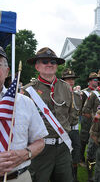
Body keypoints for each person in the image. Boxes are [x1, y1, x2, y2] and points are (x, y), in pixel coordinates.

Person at [22, 47, 73, 182]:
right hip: (40, 149)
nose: (49, 64)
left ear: (57, 66)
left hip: (63, 147)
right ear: (37, 66)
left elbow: (70, 115)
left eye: (53, 62)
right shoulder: (28, 91)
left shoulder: (66, 88)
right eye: (45, 61)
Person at [0, 47, 48, 182]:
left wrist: (26, 153)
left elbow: (39, 141)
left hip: (19, 177)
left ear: (7, 71)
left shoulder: (24, 102)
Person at [82, 68, 100, 182]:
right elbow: (85, 110)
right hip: (96, 130)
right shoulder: (94, 94)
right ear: (99, 80)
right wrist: (95, 120)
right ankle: (90, 176)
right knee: (91, 153)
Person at [61, 68, 83, 182]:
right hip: (63, 130)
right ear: (63, 81)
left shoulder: (77, 95)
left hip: (74, 129)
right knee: (65, 154)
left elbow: (80, 110)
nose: (71, 81)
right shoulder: (58, 95)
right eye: (68, 79)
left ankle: (74, 177)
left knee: (76, 152)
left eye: (72, 79)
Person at [79, 72, 98, 168]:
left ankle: (92, 158)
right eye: (95, 79)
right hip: (87, 119)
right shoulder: (84, 92)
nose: (97, 81)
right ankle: (81, 158)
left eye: (97, 79)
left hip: (95, 120)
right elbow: (81, 107)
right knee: (84, 139)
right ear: (89, 81)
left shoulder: (98, 92)